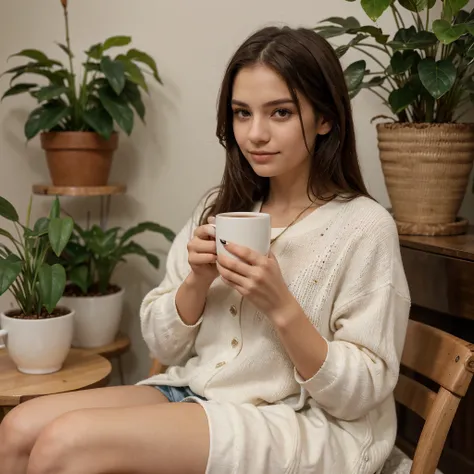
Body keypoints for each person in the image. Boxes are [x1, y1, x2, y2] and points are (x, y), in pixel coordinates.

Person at [0, 25, 410, 474]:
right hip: (196, 390)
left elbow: (362, 391)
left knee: (66, 444)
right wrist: (196, 282)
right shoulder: (220, 208)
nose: (255, 134)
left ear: (325, 118)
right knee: (19, 430)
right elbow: (164, 345)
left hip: (300, 421)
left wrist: (282, 307)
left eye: (280, 113)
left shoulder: (364, 227)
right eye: (241, 113)